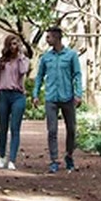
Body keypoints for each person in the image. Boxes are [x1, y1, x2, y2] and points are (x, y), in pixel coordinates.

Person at [31, 25, 84, 173]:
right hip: (51, 98)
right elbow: (39, 77)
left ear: (57, 37)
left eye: (49, 37)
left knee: (71, 129)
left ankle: (69, 155)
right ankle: (54, 160)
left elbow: (77, 75)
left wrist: (78, 94)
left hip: (68, 97)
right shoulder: (45, 57)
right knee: (52, 130)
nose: (47, 40)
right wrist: (35, 94)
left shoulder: (71, 55)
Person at [0, 34, 32, 170]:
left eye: (16, 43)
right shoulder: (1, 61)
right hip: (3, 95)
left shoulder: (23, 60)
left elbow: (23, 71)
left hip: (18, 95)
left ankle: (12, 159)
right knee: (3, 128)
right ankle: (1, 157)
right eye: (12, 44)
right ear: (7, 45)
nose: (14, 46)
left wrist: (21, 55)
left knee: (15, 128)